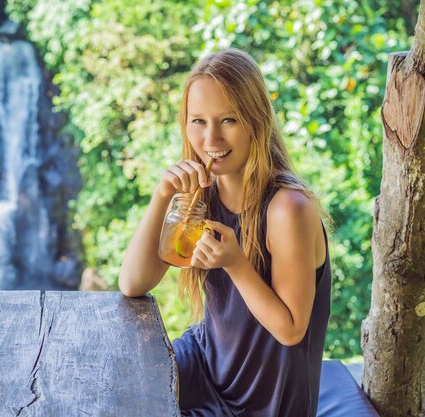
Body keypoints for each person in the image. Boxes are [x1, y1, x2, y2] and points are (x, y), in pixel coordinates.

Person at [119, 48, 331, 417]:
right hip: (207, 362)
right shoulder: (202, 194)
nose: (211, 138)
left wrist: (235, 264)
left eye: (228, 120)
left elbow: (292, 329)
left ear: (256, 120)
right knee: (118, 385)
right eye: (198, 121)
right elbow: (133, 283)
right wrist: (162, 196)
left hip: (266, 401)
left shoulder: (288, 208)